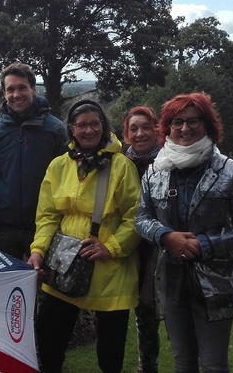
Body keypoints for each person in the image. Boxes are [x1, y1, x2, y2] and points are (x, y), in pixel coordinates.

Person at [135, 92, 233, 372]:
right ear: (167, 127)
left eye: (193, 121)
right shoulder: (156, 171)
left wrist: (204, 244)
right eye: (177, 122)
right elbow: (141, 218)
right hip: (171, 278)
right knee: (183, 360)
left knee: (213, 363)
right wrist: (165, 236)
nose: (185, 128)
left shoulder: (229, 170)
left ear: (207, 125)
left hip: (216, 279)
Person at [27, 99, 142, 373]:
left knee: (110, 349)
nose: (89, 130)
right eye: (82, 125)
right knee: (49, 339)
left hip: (109, 268)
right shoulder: (58, 166)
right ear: (72, 129)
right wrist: (38, 250)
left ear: (104, 126)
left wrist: (111, 247)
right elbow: (48, 216)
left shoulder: (122, 166)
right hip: (64, 265)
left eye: (94, 124)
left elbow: (136, 216)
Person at [0, 62, 68, 261]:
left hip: (43, 226)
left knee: (43, 281)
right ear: (4, 93)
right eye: (10, 89)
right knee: (6, 281)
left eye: (22, 87)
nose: (16, 94)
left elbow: (65, 178)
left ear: (33, 89)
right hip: (5, 227)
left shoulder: (55, 129)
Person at [123, 106, 163, 373]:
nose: (140, 134)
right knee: (143, 310)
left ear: (157, 130)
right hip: (129, 244)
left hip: (160, 244)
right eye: (134, 128)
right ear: (127, 134)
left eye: (146, 127)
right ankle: (146, 366)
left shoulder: (168, 161)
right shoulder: (121, 163)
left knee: (169, 307)